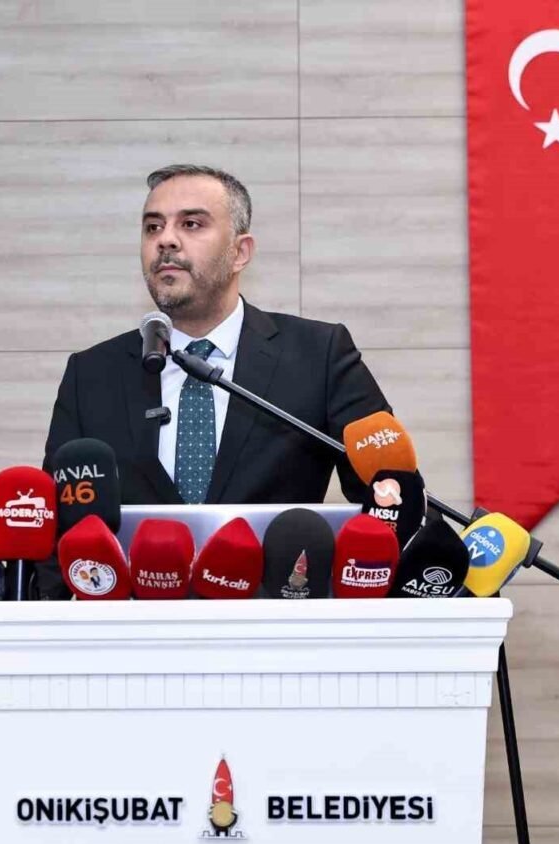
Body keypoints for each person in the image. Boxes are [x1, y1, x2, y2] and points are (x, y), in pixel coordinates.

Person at [38, 164, 392, 597]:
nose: (166, 240)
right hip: (130, 627)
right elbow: (56, 531)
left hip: (275, 623)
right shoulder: (92, 373)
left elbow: (389, 501)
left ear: (240, 252)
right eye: (153, 227)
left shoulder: (318, 356)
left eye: (191, 224)